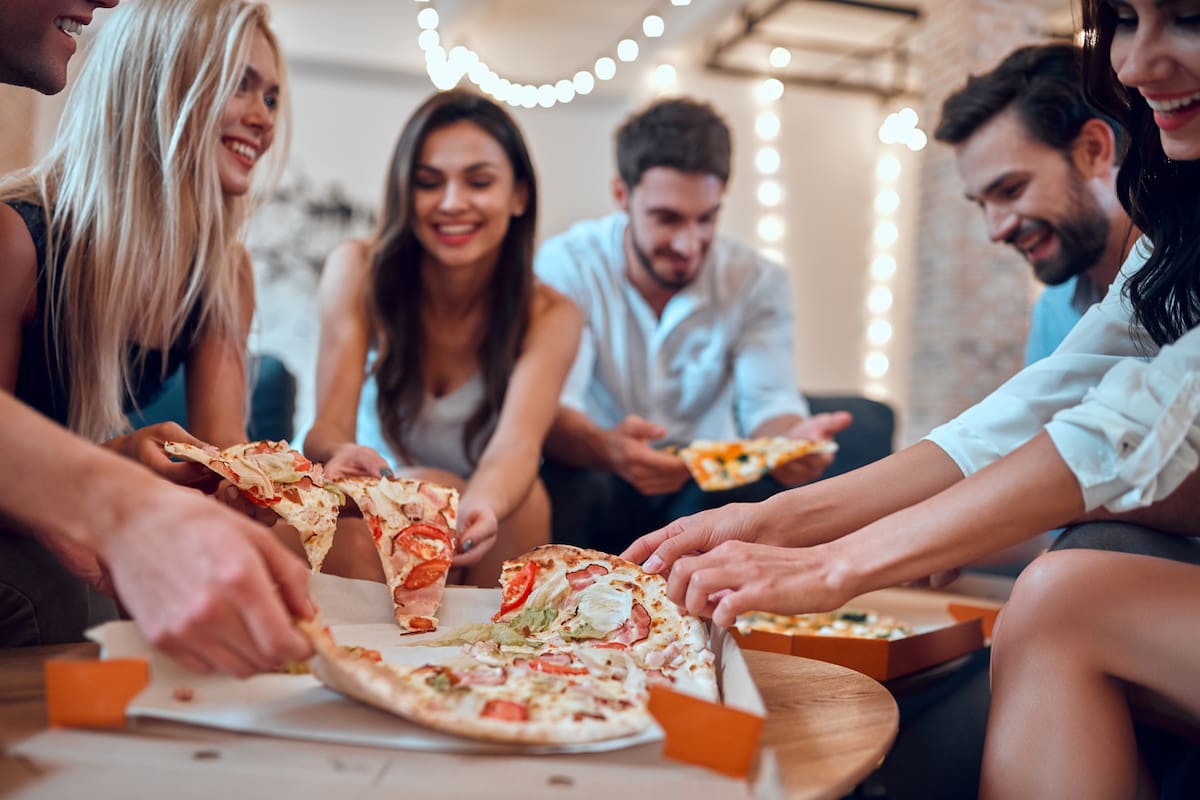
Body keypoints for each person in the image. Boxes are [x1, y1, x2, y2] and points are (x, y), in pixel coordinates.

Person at [625, 1, 1200, 793]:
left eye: (1191, 17)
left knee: (1062, 593)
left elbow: (1131, 433)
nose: (1133, 64)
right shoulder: (1167, 249)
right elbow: (1014, 421)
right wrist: (766, 521)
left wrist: (838, 564)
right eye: (1125, 22)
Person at [0, 0, 314, 676]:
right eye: (240, 82)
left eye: (272, 96)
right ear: (160, 81)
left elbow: (233, 465)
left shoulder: (224, 272)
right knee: (61, 594)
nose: (263, 116)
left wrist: (310, 490)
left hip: (74, 508)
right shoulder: (17, 240)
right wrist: (120, 474)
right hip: (21, 531)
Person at [534, 97, 851, 554]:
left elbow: (768, 402)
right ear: (621, 194)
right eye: (667, 219)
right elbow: (555, 405)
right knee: (561, 482)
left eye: (706, 219)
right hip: (596, 472)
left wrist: (790, 442)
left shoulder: (758, 281)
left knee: (757, 501)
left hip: (705, 487)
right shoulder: (568, 264)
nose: (688, 243)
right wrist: (608, 448)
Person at [303, 89, 581, 587]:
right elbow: (326, 430)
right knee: (416, 490)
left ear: (519, 195)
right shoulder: (357, 269)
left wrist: (477, 506)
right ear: (404, 193)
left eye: (479, 182)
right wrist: (342, 455)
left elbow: (517, 445)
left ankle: (500, 654)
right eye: (429, 183)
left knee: (528, 497)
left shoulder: (552, 313)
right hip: (375, 510)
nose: (452, 203)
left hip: (497, 516)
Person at [935, 42, 1139, 366]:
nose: (996, 231)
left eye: (1012, 190)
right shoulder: (1052, 311)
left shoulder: (1188, 284)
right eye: (981, 204)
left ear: (1093, 150)